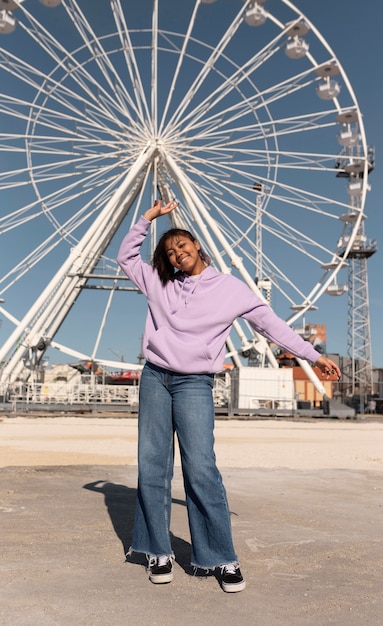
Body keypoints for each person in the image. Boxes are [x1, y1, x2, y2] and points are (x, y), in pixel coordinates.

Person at [117, 199, 341, 593]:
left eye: (182, 245)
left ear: (198, 246)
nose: (176, 253)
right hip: (155, 377)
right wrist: (148, 217)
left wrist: (314, 356)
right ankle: (158, 551)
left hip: (194, 383)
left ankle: (220, 556)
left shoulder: (231, 289)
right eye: (169, 252)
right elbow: (126, 256)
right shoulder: (158, 282)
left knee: (201, 468)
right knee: (152, 466)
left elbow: (274, 328)